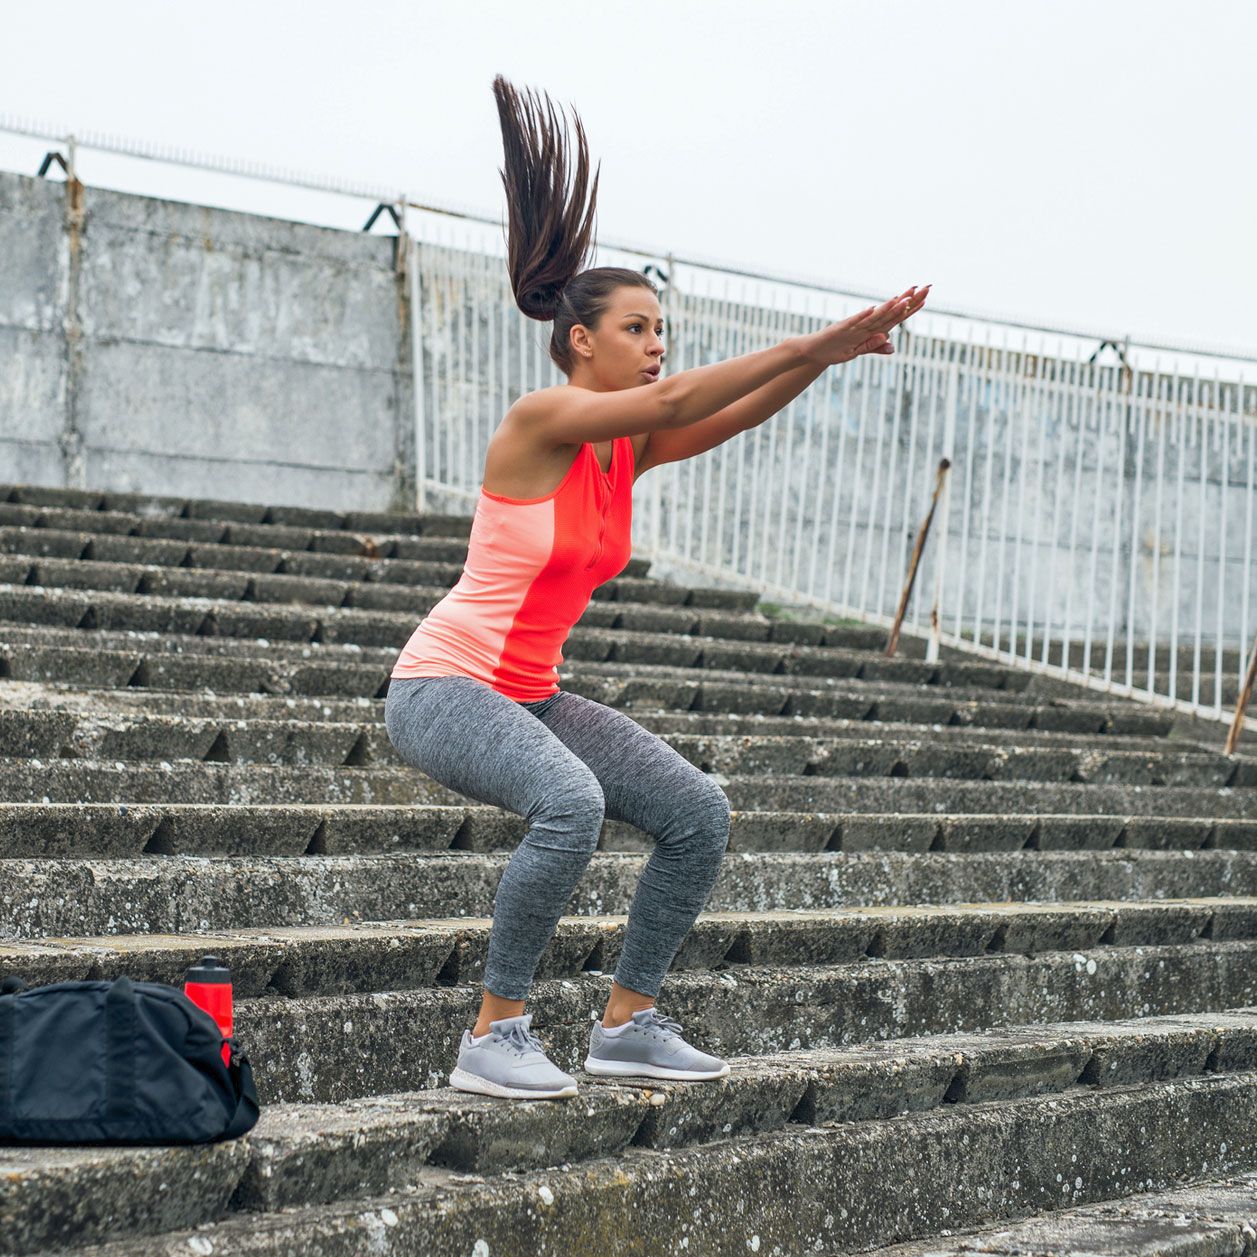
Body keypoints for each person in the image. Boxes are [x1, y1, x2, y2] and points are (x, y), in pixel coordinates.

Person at [384, 73, 930, 1101]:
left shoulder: (624, 448)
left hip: (530, 691)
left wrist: (831, 357)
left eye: (661, 329)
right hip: (443, 687)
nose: (657, 346)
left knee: (695, 810)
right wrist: (814, 334)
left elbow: (725, 414)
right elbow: (684, 394)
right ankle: (494, 1033)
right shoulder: (540, 421)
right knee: (571, 802)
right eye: (638, 328)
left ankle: (628, 1023)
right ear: (581, 339)